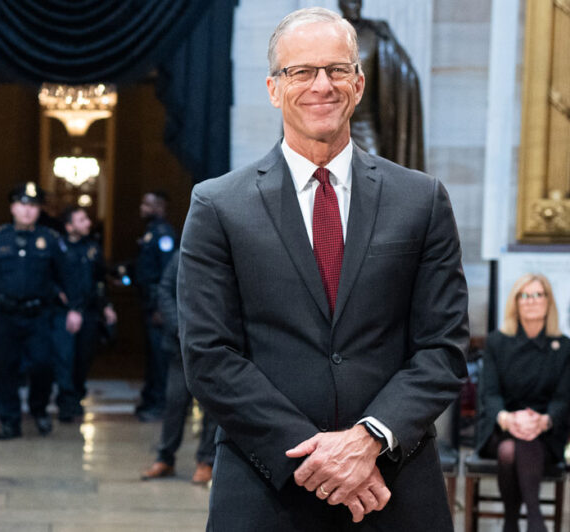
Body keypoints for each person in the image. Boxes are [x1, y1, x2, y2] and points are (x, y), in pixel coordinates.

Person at [178, 7, 468, 530]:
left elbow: (443, 348)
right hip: (267, 486)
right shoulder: (218, 205)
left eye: (337, 70)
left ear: (358, 84)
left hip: (393, 485)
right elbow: (209, 356)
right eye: (301, 71)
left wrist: (366, 440)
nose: (322, 85)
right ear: (273, 87)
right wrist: (320, 461)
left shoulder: (421, 200)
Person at [0, 182, 70, 439]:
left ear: (39, 210)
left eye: (33, 206)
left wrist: (72, 305)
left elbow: (66, 274)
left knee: (42, 366)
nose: (27, 211)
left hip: (39, 314)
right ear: (13, 207)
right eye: (23, 205)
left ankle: (39, 410)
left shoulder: (50, 240)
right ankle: (9, 421)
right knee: (6, 368)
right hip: (6, 314)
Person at [476, 273, 570, 532]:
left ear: (549, 301)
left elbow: (563, 399)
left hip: (546, 432)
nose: (532, 301)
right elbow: (490, 393)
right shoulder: (497, 342)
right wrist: (508, 419)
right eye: (525, 295)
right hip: (501, 426)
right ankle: (535, 519)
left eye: (539, 294)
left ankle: (511, 522)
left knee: (512, 450)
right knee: (508, 446)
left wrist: (543, 421)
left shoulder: (563, 347)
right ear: (515, 302)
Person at [140, 249, 217, 484]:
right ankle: (165, 458)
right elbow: (164, 291)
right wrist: (179, 327)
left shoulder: (224, 252)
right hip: (180, 346)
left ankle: (206, 461)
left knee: (213, 408)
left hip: (215, 346)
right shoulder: (182, 253)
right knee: (175, 402)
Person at [339, 0, 424, 171]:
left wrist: (406, 76)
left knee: (375, 171)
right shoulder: (330, 34)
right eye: (349, 1)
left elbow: (404, 70)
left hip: (365, 122)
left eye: (357, 1)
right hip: (335, 120)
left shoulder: (377, 35)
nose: (354, 6)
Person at [53, 206, 117, 423]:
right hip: (64, 314)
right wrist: (70, 308)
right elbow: (51, 280)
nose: (88, 223)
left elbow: (99, 280)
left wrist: (106, 306)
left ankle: (77, 398)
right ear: (69, 226)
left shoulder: (92, 248)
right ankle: (66, 403)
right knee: (65, 359)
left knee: (83, 359)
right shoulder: (57, 248)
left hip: (89, 312)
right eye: (82, 220)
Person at [134, 191, 178, 422]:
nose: (142, 207)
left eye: (147, 203)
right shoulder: (151, 232)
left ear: (159, 207)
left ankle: (159, 403)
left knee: (160, 358)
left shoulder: (163, 234)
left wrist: (162, 307)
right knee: (152, 357)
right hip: (149, 304)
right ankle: (150, 398)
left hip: (158, 306)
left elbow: (167, 274)